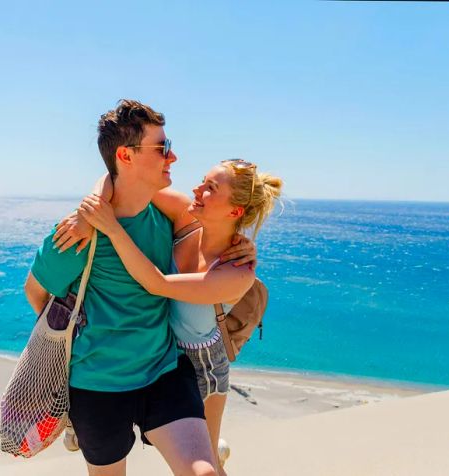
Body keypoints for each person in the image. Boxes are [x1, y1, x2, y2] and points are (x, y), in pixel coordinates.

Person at [24, 99, 253, 476]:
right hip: (97, 386)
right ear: (126, 156)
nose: (174, 156)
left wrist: (243, 245)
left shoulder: (169, 216)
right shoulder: (76, 233)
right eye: (162, 147)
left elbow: (218, 230)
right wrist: (72, 339)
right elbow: (35, 292)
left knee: (205, 472)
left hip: (163, 372)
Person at [61, 159, 283, 475]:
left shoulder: (236, 273)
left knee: (206, 467)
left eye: (210, 188)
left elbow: (156, 283)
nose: (197, 188)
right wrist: (89, 214)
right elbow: (120, 180)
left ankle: (215, 451)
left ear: (234, 212)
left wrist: (109, 224)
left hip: (202, 366)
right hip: (157, 348)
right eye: (203, 181)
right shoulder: (185, 215)